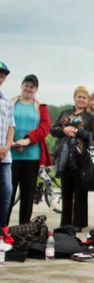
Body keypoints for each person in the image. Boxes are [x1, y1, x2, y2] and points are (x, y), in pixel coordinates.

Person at [50, 86, 94, 231]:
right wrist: (64, 130)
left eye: (84, 97)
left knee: (80, 191)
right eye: (79, 97)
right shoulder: (65, 113)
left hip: (82, 157)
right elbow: (53, 130)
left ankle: (79, 223)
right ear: (74, 98)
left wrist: (79, 132)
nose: (81, 100)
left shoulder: (91, 117)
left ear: (87, 100)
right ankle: (65, 223)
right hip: (65, 156)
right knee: (66, 190)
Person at [8, 74, 52, 225]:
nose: (28, 89)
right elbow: (4, 124)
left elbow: (44, 128)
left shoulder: (41, 107)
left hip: (32, 156)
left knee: (27, 196)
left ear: (36, 89)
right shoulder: (11, 103)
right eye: (26, 85)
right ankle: (3, 228)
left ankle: (23, 229)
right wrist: (12, 142)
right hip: (11, 155)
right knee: (8, 193)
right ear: (21, 86)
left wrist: (26, 140)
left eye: (32, 86)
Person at [0, 61, 14, 229]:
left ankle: (2, 228)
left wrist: (7, 147)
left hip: (5, 154)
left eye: (2, 76)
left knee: (7, 191)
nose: (0, 78)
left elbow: (11, 126)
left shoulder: (7, 101)